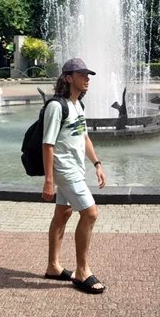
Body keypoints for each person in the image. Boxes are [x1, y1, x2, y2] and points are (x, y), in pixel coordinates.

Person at [42, 58, 107, 294]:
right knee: (90, 213)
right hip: (64, 170)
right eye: (82, 75)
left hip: (76, 168)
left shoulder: (78, 105)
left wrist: (97, 163)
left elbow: (84, 138)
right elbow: (47, 145)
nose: (87, 79)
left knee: (63, 213)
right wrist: (49, 180)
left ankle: (53, 266)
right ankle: (82, 271)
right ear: (68, 78)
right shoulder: (56, 107)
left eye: (88, 75)